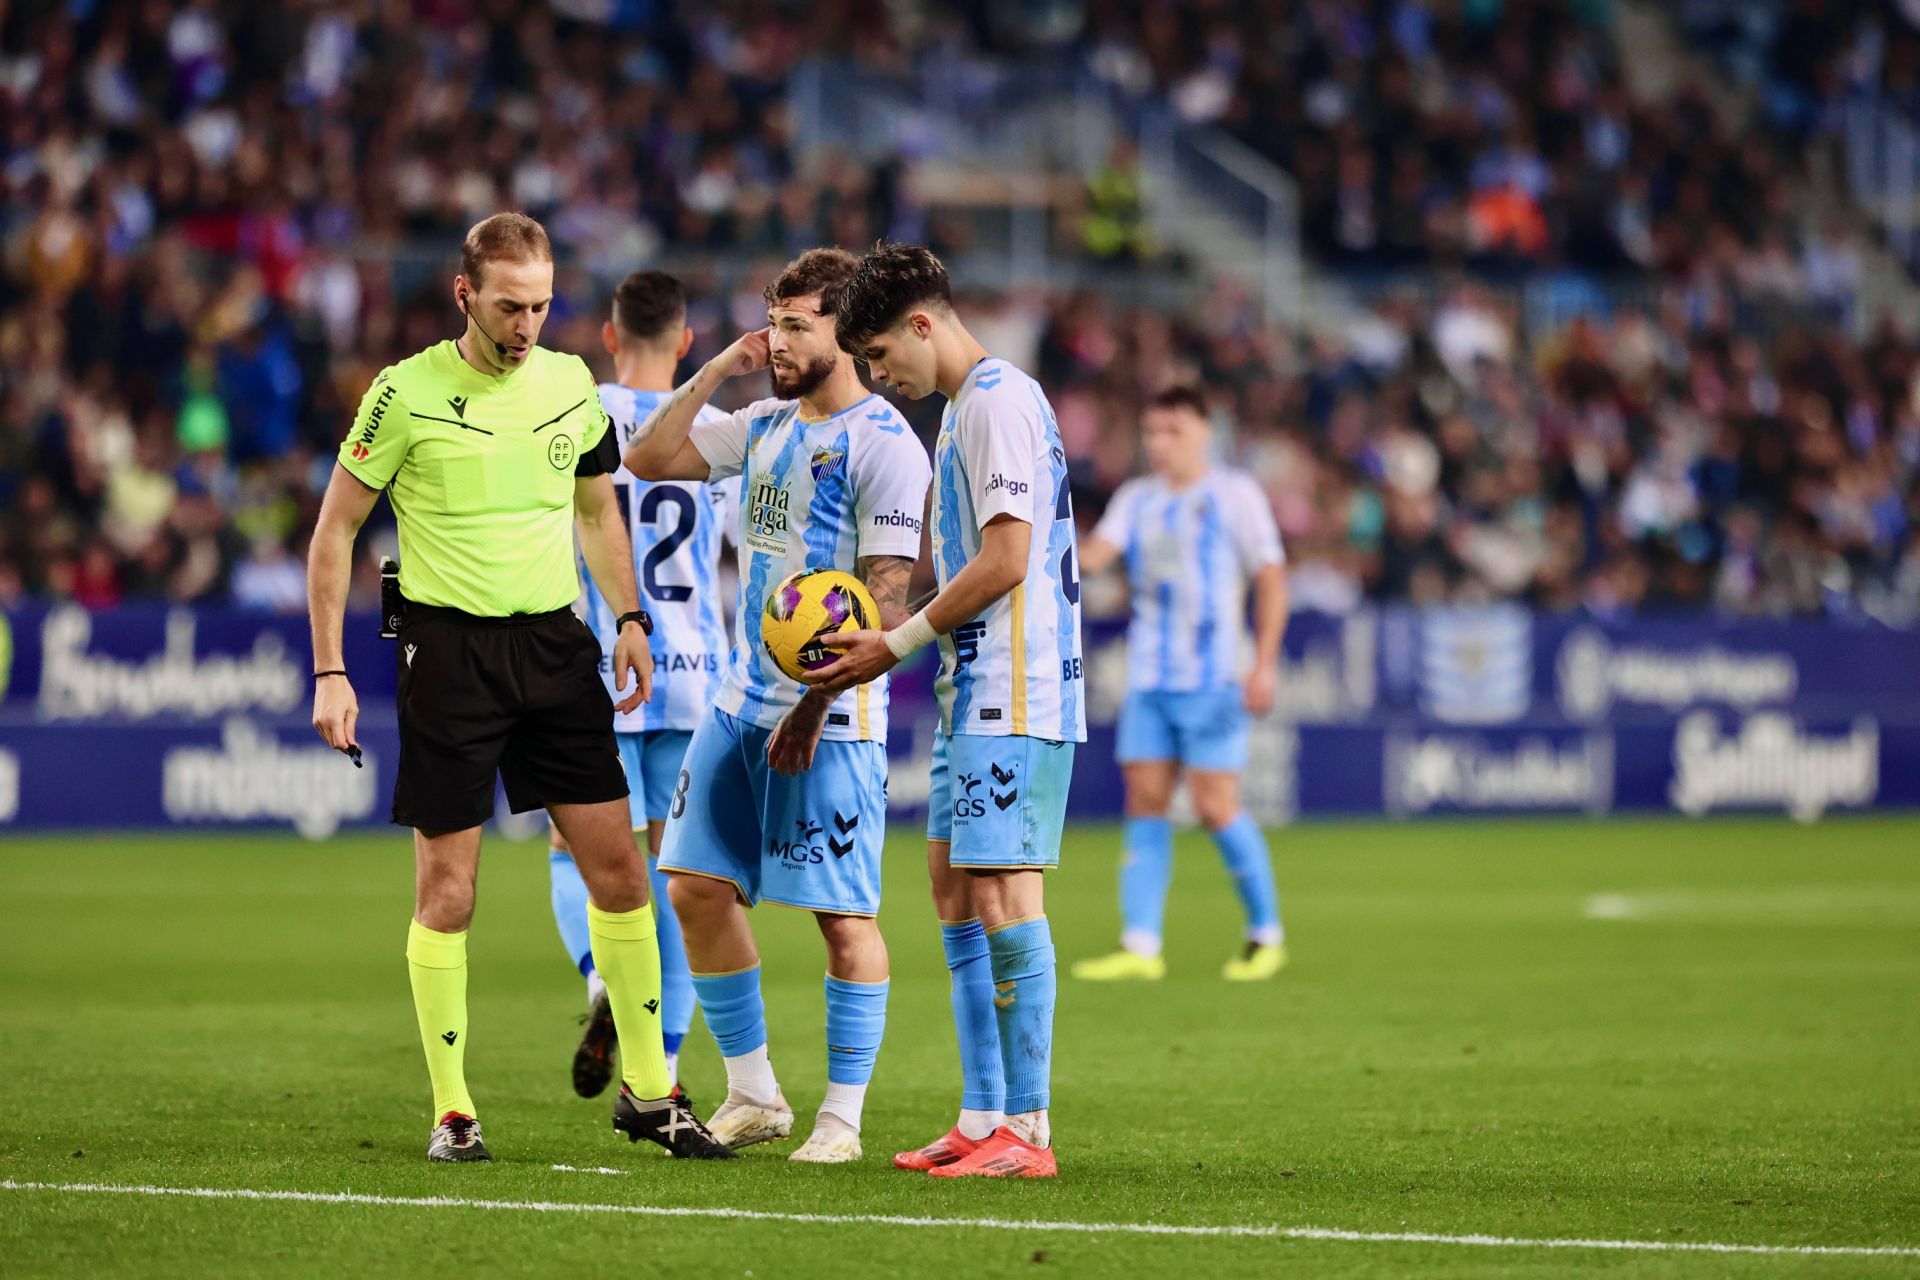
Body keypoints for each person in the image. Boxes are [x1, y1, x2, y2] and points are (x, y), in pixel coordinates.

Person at [307, 212, 728, 1163]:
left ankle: (651, 1093)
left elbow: (594, 509)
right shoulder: (402, 394)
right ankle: (454, 1110)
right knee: (449, 891)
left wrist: (627, 618)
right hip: (448, 657)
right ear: (465, 295)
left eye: (541, 305)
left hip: (554, 648)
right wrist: (331, 670)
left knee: (619, 871)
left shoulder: (572, 382)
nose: (528, 323)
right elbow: (334, 533)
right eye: (509, 307)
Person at [624, 248, 930, 1164]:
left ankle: (842, 1117)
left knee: (844, 920)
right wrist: (718, 366)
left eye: (798, 324)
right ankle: (754, 1091)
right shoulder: (760, 423)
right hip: (735, 704)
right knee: (692, 887)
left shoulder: (884, 446)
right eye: (775, 321)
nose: (778, 340)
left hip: (831, 723)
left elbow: (886, 601)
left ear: (846, 330)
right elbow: (646, 456)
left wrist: (811, 706)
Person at [817, 242, 1084, 1179]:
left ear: (923, 324)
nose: (881, 379)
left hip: (1018, 687)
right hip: (978, 687)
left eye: (883, 357)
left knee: (1005, 893)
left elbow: (1009, 560)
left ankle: (1031, 1130)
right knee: (952, 885)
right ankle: (983, 1116)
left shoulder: (998, 401)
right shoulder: (968, 409)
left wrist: (895, 640)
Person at [549, 270, 738, 1102]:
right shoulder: (722, 428)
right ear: (688, 341)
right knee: (677, 868)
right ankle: (656, 1061)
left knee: (579, 851)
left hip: (599, 663)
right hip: (698, 671)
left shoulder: (574, 410)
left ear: (610, 337)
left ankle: (601, 979)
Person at [1069, 385, 1290, 983]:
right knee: (1144, 801)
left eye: (1173, 431)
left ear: (1204, 432)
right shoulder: (1137, 498)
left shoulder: (1234, 495)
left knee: (1217, 806)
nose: (1160, 443)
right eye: (1152, 431)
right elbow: (1094, 556)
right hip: (1149, 677)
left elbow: (1271, 578)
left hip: (1215, 676)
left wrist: (1264, 664)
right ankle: (1141, 945)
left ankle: (1264, 935)